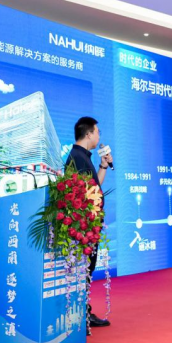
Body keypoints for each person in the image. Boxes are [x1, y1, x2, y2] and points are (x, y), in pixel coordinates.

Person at [65, 116, 113, 331]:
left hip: (89, 226)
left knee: (87, 269)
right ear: (88, 134)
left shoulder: (83, 156)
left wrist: (103, 166)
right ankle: (80, 316)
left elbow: (94, 188)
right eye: (97, 132)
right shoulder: (77, 157)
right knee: (83, 269)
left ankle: (83, 312)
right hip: (84, 227)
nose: (99, 136)